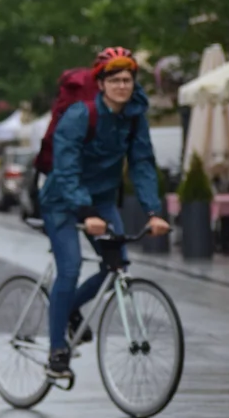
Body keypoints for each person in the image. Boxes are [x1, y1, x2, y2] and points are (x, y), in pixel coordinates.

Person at [39, 47, 170, 380]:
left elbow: (141, 164)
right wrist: (84, 210)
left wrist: (153, 210)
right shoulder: (81, 115)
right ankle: (56, 352)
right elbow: (65, 168)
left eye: (127, 79)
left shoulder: (134, 116)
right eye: (115, 79)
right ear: (101, 83)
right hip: (62, 201)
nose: (122, 86)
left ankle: (66, 309)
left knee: (117, 265)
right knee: (69, 268)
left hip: (102, 200)